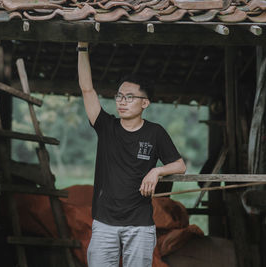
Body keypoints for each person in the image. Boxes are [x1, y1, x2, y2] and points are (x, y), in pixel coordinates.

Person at [77, 42, 187, 267]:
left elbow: (179, 165)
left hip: (139, 226)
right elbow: (87, 89)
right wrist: (82, 47)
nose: (122, 102)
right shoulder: (106, 126)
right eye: (119, 96)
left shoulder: (155, 132)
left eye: (129, 97)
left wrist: (157, 170)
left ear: (145, 103)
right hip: (104, 224)